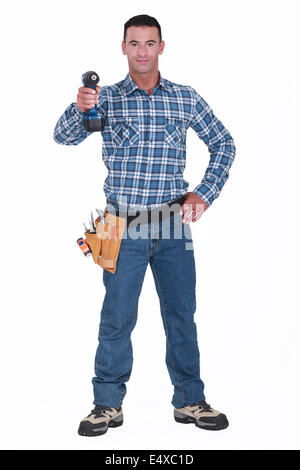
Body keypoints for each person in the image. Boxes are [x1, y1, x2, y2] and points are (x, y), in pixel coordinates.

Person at [53, 14, 236, 437]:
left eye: (149, 43)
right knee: (117, 317)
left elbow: (223, 143)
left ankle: (190, 400)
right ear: (123, 48)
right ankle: (107, 405)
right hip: (118, 224)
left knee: (181, 315)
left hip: (173, 223)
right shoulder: (106, 98)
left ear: (161, 47)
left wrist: (204, 193)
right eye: (133, 43)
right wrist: (79, 106)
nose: (141, 51)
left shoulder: (185, 98)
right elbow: (63, 137)